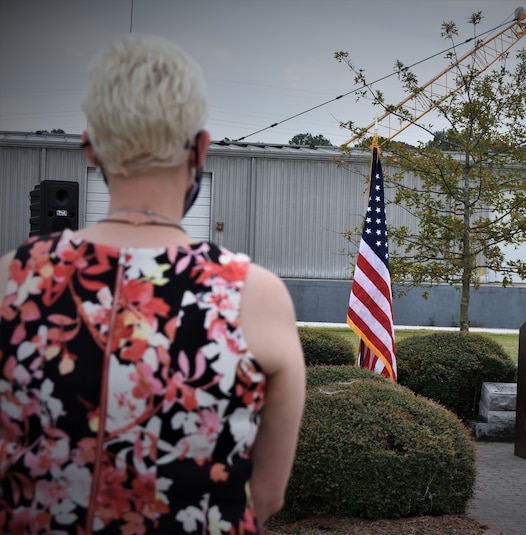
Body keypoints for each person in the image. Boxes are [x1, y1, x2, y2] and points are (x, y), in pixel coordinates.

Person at [0, 35, 306, 534]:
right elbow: (267, 496)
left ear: (92, 149)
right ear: (201, 147)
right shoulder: (254, 295)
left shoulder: (11, 279)